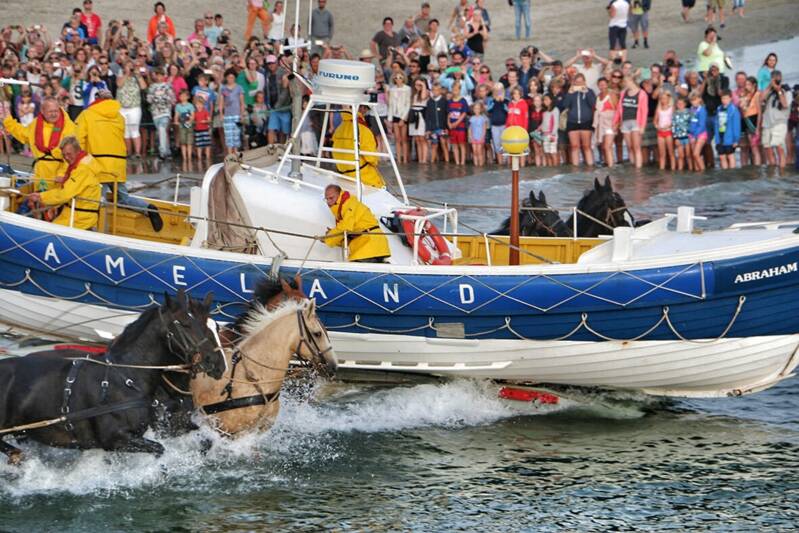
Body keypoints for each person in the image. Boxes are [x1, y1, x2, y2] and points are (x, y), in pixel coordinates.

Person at [77, 88, 163, 231]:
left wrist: (80, 161)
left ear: (96, 100)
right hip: (117, 165)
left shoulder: (87, 115)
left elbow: (78, 140)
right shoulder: (119, 117)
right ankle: (148, 208)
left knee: (96, 201)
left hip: (97, 165)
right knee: (123, 198)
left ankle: (96, 231)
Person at [26, 136, 102, 230]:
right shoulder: (82, 162)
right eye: (64, 155)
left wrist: (41, 197)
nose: (66, 158)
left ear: (78, 151)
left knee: (48, 230)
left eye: (69, 154)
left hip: (80, 218)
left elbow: (65, 194)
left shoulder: (82, 170)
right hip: (75, 213)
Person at [3, 96, 77, 192]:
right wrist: (8, 121)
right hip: (41, 173)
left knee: (57, 199)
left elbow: (71, 155)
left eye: (56, 111)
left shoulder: (69, 127)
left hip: (59, 175)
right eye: (50, 111)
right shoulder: (36, 124)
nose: (54, 114)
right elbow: (23, 134)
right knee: (39, 198)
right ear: (42, 111)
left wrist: (63, 174)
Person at [323, 184, 391, 263]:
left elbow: (345, 227)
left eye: (331, 198)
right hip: (372, 245)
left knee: (358, 267)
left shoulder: (348, 205)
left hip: (369, 245)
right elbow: (348, 233)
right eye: (326, 199)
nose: (328, 202)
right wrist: (332, 235)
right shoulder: (344, 208)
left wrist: (329, 237)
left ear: (339, 195)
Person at [332, 107, 385, 188]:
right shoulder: (363, 129)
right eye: (366, 109)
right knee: (382, 187)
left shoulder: (339, 129)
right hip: (364, 177)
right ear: (361, 109)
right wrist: (375, 161)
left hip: (344, 176)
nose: (366, 111)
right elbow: (371, 158)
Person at [562, 73, 596, 166]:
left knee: (586, 146)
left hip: (586, 121)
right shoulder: (571, 92)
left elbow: (593, 104)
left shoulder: (590, 91)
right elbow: (565, 105)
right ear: (574, 82)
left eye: (581, 82)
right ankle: (575, 167)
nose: (579, 84)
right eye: (577, 82)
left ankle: (590, 166)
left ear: (584, 82)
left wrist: (586, 92)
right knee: (574, 146)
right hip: (572, 121)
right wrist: (569, 93)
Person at [615, 76, 648, 169]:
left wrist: (642, 126)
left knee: (636, 147)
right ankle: (632, 166)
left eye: (626, 82)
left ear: (632, 81)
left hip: (636, 122)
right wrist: (615, 122)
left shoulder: (642, 93)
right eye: (624, 82)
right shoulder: (623, 93)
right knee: (629, 147)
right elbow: (619, 109)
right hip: (625, 122)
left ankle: (638, 168)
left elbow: (644, 111)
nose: (625, 84)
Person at [760, 71, 790, 170]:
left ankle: (782, 171)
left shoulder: (786, 90)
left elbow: (785, 104)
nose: (776, 80)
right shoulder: (769, 90)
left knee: (779, 147)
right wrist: (770, 86)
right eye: (773, 78)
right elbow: (761, 99)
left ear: (781, 78)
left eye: (777, 78)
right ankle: (772, 171)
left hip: (779, 123)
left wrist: (778, 90)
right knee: (767, 148)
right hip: (767, 123)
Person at [220, 68, 245, 155]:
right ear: (226, 78)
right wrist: (221, 114)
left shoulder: (239, 88)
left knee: (236, 135)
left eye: (232, 77)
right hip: (227, 115)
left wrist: (242, 115)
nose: (230, 79)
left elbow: (242, 103)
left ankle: (236, 153)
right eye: (229, 77)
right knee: (228, 136)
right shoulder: (223, 89)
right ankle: (230, 154)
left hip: (237, 115)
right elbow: (221, 103)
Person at [594, 77, 618, 167]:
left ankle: (611, 166)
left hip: (610, 123)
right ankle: (608, 163)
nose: (602, 86)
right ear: (598, 86)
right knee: (603, 146)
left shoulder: (612, 95)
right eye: (600, 85)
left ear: (607, 84)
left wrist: (617, 124)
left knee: (607, 146)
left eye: (604, 84)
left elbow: (617, 110)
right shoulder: (598, 96)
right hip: (601, 124)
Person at [714, 89, 740, 169]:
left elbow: (736, 126)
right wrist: (717, 139)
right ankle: (725, 173)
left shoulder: (734, 110)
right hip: (720, 137)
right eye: (722, 98)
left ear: (730, 98)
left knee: (730, 155)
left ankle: (732, 173)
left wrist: (736, 140)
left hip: (729, 138)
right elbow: (716, 124)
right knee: (722, 156)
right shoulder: (719, 109)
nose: (724, 100)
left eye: (726, 98)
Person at [388, 71, 411, 164]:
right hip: (395, 115)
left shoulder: (407, 89)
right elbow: (390, 104)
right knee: (397, 139)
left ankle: (405, 159)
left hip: (403, 116)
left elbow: (408, 104)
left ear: (403, 78)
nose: (398, 80)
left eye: (400, 78)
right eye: (396, 78)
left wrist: (403, 118)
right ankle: (398, 159)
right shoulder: (392, 89)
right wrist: (390, 119)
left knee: (404, 139)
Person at [425, 82, 449, 163]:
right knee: (434, 145)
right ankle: (432, 161)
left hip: (442, 128)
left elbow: (446, 115)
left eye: (437, 90)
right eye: (434, 90)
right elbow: (428, 116)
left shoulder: (444, 101)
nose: (435, 92)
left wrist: (446, 127)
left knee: (444, 144)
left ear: (440, 91)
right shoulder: (430, 102)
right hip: (433, 128)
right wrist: (428, 129)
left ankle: (447, 161)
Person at [448, 80, 469, 166]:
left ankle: (462, 162)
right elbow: (448, 114)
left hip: (460, 126)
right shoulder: (450, 101)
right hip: (452, 127)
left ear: (460, 90)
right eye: (453, 90)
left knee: (461, 144)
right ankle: (457, 162)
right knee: (454, 144)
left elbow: (464, 114)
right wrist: (449, 123)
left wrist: (456, 123)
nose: (455, 91)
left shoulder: (463, 101)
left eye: (456, 90)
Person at [409, 78, 429, 164]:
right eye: (417, 85)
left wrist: (423, 85)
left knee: (422, 138)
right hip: (413, 114)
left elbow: (423, 97)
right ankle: (420, 159)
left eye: (420, 85)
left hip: (421, 115)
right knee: (417, 139)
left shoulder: (426, 92)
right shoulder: (413, 93)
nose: (418, 86)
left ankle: (424, 159)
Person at [654, 92, 675, 170]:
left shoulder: (671, 108)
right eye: (662, 98)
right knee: (662, 154)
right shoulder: (658, 108)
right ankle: (662, 169)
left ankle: (673, 169)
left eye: (665, 98)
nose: (663, 100)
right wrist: (657, 126)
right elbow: (655, 121)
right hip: (660, 132)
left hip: (668, 131)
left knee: (671, 152)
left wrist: (669, 126)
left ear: (669, 99)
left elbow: (674, 120)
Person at [688, 91, 708, 171]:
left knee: (696, 154)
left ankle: (703, 171)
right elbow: (690, 122)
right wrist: (690, 133)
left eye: (695, 100)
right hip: (692, 135)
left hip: (701, 134)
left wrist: (695, 136)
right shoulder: (691, 109)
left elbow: (702, 125)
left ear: (699, 99)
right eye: (692, 100)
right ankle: (697, 173)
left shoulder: (702, 110)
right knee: (694, 156)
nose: (694, 102)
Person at [540, 93, 560, 167]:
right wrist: (539, 128)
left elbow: (556, 123)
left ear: (551, 100)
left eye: (546, 99)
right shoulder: (545, 111)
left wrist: (553, 135)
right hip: (544, 135)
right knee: (547, 153)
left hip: (552, 135)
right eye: (544, 100)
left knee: (553, 153)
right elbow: (544, 123)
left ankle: (555, 169)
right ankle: (550, 169)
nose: (545, 101)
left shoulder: (555, 109)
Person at [672, 96, 692, 170]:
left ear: (685, 104)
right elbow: (673, 126)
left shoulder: (689, 112)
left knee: (688, 155)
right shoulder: (675, 114)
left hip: (687, 137)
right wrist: (675, 138)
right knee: (680, 156)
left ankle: (690, 169)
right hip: (679, 137)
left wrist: (691, 135)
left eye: (681, 103)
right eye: (678, 104)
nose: (680, 105)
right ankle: (680, 170)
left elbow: (691, 123)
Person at [469, 101, 488, 167]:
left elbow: (484, 129)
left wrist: (482, 137)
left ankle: (480, 165)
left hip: (480, 137)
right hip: (473, 137)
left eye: (478, 108)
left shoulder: (483, 118)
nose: (476, 110)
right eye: (475, 108)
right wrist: (470, 136)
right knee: (474, 151)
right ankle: (476, 165)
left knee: (479, 151)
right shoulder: (472, 118)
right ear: (473, 110)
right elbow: (470, 128)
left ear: (481, 110)